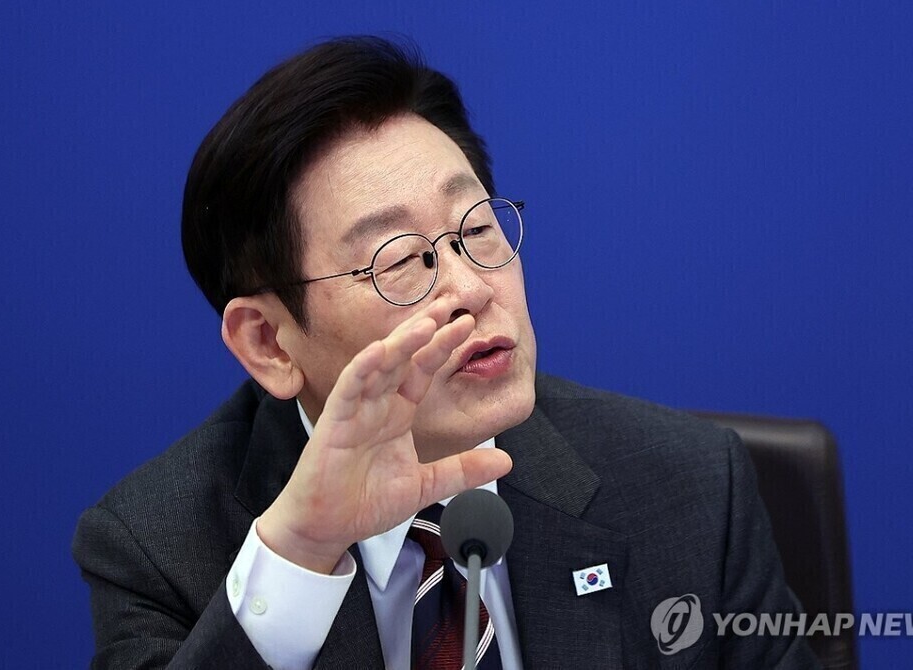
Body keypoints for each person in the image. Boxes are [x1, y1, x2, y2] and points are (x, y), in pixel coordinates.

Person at [73, 36, 819, 669]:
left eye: (477, 229)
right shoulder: (157, 549)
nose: (471, 287)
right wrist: (302, 552)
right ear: (269, 343)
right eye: (400, 260)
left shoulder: (688, 487)